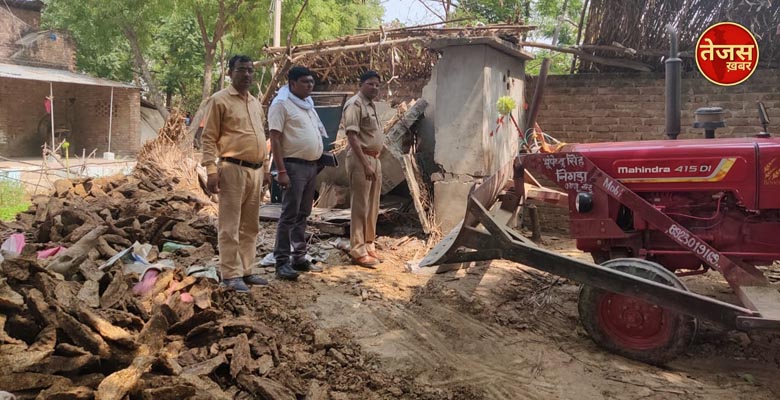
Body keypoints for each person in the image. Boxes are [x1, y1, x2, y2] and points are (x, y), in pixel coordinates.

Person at [201, 55, 268, 292]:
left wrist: (266, 169)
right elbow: (208, 137)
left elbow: (262, 137)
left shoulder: (255, 103)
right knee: (230, 225)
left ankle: (246, 271)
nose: (247, 74)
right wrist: (210, 170)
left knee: (250, 226)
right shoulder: (219, 101)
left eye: (250, 70)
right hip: (232, 169)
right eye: (242, 70)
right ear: (230, 73)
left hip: (256, 171)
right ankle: (230, 274)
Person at [269, 66, 326, 279]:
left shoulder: (307, 105)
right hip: (293, 167)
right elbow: (275, 138)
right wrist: (281, 170)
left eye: (311, 81)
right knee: (289, 215)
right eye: (305, 81)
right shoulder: (281, 104)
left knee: (303, 213)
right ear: (292, 83)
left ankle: (299, 257)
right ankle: (281, 262)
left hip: (310, 167)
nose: (310, 85)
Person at [342, 70, 383, 268]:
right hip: (361, 159)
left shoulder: (371, 105)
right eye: (370, 84)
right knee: (360, 206)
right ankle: (357, 250)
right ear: (361, 84)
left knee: (373, 205)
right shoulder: (355, 104)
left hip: (374, 159)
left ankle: (369, 243)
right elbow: (352, 136)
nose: (374, 88)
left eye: (377, 85)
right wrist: (365, 164)